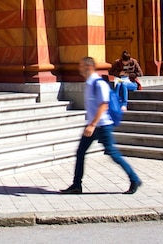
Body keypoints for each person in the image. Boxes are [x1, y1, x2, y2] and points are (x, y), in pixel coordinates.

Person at [61, 56, 142, 195]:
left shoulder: (99, 84)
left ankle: (134, 179)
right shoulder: (89, 83)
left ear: (89, 67)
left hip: (102, 126)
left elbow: (103, 105)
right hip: (93, 126)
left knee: (113, 153)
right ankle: (76, 185)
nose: (79, 69)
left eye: (81, 66)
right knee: (80, 153)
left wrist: (92, 124)